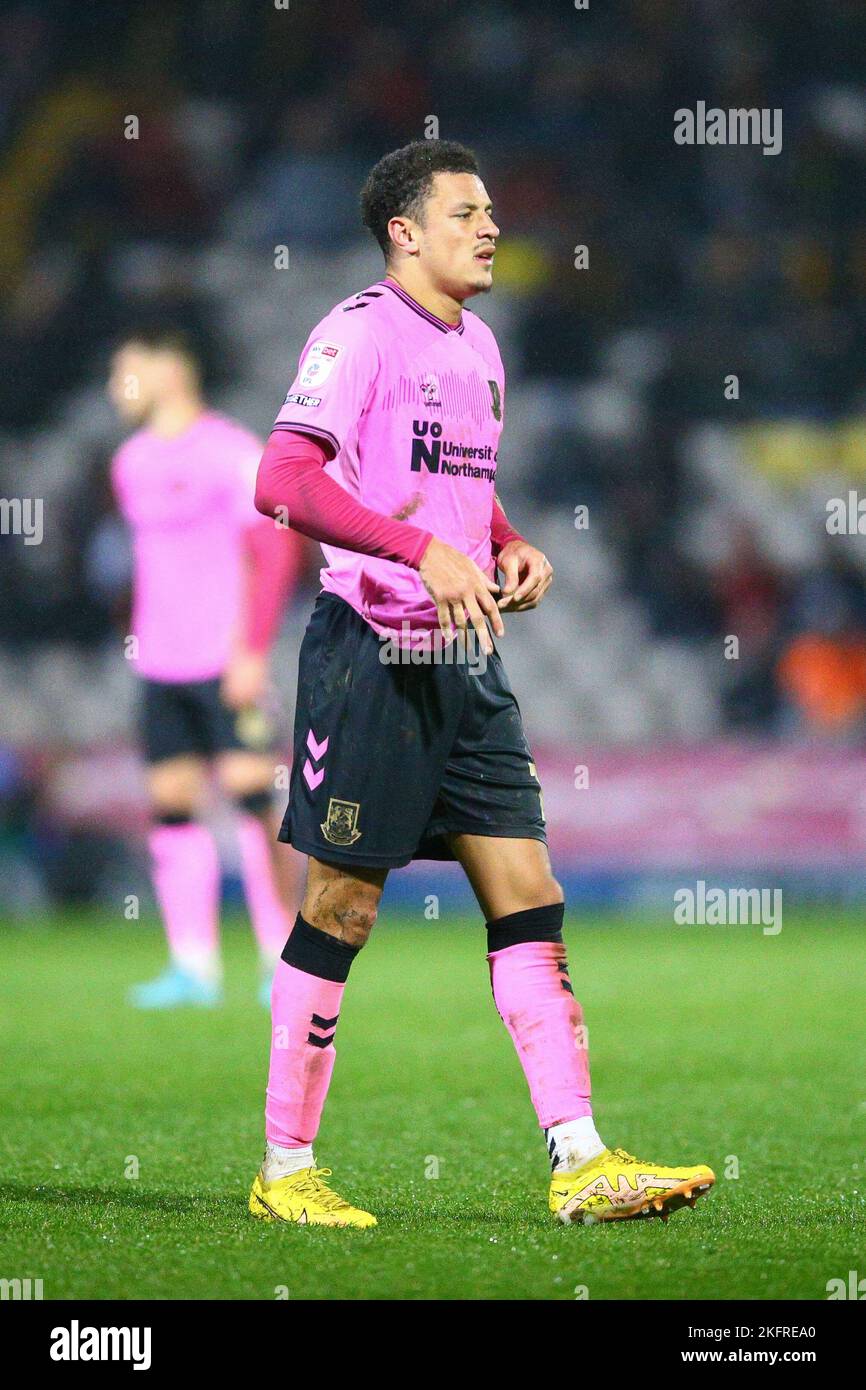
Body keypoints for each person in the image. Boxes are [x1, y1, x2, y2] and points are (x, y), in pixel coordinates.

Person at [249, 141, 715, 1226]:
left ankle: (580, 1157)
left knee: (526, 891)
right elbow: (281, 477)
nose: (491, 226)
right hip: (370, 651)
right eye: (467, 211)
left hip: (466, 657)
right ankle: (286, 1171)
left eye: (492, 210)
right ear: (404, 231)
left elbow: (459, 489)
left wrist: (508, 544)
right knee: (341, 904)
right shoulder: (356, 333)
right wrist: (417, 558)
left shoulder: (485, 347)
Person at [108, 327, 304, 1008]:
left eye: (125, 372)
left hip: (226, 664)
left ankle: (283, 961)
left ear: (169, 369)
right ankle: (192, 966)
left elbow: (277, 553)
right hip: (160, 665)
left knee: (254, 804)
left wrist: (251, 650)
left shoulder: (230, 452)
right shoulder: (129, 461)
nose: (114, 387)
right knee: (171, 807)